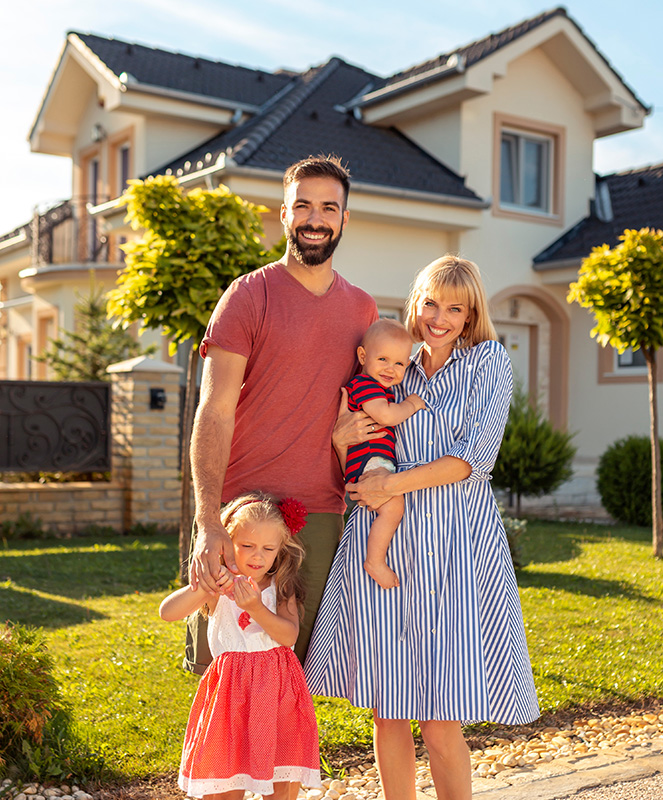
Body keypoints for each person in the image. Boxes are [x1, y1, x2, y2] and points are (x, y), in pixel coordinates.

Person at [305, 255, 540, 800]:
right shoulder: (395, 363)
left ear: (471, 312)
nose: (439, 317)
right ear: (417, 302)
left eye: (454, 307)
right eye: (431, 302)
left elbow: (472, 459)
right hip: (382, 542)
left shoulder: (487, 362)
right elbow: (355, 446)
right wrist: (343, 441)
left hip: (454, 544)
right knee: (389, 707)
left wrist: (392, 486)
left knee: (440, 718)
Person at [186, 155, 379, 673]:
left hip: (320, 511)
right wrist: (208, 519)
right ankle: (224, 759)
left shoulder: (363, 309)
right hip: (241, 508)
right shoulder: (249, 295)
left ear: (344, 219)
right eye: (304, 206)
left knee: (297, 667)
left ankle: (289, 760)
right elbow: (215, 409)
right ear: (285, 213)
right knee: (225, 665)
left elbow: (372, 401)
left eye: (328, 208)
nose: (315, 218)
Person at [160, 491, 320, 800]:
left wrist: (258, 609)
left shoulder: (281, 584)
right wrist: (205, 585)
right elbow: (168, 613)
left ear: (280, 550)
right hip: (230, 692)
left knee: (279, 772)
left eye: (268, 548)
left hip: (277, 691)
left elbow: (288, 636)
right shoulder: (219, 584)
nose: (257, 556)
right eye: (247, 546)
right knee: (224, 776)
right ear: (227, 544)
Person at [344, 319, 425, 589]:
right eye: (383, 359)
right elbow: (386, 416)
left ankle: (375, 558)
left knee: (392, 509)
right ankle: (375, 561)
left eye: (400, 364)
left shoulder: (378, 387)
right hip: (369, 462)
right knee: (393, 509)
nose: (391, 369)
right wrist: (411, 405)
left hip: (373, 461)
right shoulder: (365, 384)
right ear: (363, 356)